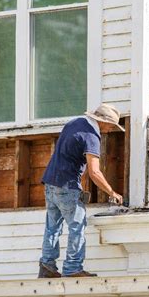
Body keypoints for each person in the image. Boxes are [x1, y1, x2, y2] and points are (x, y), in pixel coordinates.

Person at [39, 104, 124, 278]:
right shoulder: (91, 137)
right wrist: (112, 192)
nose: (109, 130)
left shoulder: (74, 123)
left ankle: (47, 267)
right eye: (110, 126)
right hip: (67, 185)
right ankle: (73, 268)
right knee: (77, 226)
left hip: (50, 182)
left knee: (52, 227)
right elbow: (94, 172)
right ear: (102, 121)